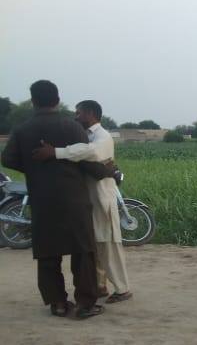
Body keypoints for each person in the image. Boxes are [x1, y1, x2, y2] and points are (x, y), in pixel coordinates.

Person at [1, 80, 108, 319]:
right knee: (83, 251)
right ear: (57, 100)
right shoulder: (72, 127)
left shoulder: (22, 129)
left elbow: (7, 159)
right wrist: (106, 171)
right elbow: (85, 159)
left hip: (42, 199)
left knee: (48, 252)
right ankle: (85, 304)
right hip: (74, 198)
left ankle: (58, 303)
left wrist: (33, 168)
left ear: (33, 101)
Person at [32, 100, 132, 304]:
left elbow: (90, 152)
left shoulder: (102, 137)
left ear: (91, 113)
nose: (76, 117)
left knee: (108, 246)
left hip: (101, 198)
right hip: (88, 200)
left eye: (79, 113)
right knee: (94, 245)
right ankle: (100, 285)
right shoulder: (85, 135)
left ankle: (122, 289)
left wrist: (56, 152)